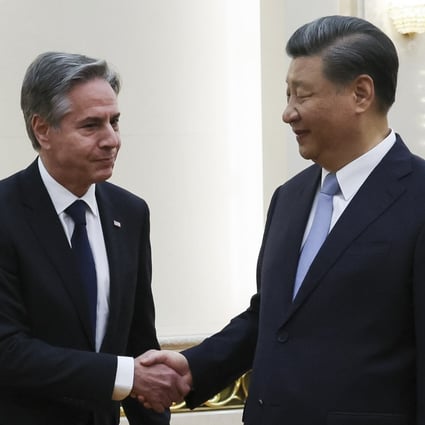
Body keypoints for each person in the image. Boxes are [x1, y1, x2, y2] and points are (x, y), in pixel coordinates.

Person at [139, 14, 425, 425]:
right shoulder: (288, 198)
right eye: (287, 95)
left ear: (361, 93)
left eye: (302, 96)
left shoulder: (417, 197)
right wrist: (195, 365)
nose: (287, 113)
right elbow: (272, 316)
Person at [0, 52, 189, 425]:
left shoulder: (130, 213)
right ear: (42, 130)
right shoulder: (6, 214)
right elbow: (8, 350)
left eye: (114, 122)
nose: (112, 140)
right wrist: (126, 376)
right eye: (91, 126)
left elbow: (139, 343)